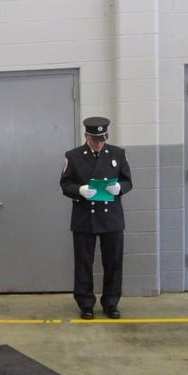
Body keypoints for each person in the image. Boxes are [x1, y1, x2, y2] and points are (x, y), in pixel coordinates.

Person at [60, 116, 132, 319]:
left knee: (113, 262)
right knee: (83, 262)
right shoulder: (73, 156)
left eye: (102, 139)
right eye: (95, 140)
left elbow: (128, 181)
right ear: (86, 136)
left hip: (112, 219)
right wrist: (79, 190)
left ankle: (111, 302)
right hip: (85, 217)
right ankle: (85, 303)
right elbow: (65, 185)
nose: (99, 144)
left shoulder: (118, 153)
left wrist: (119, 188)